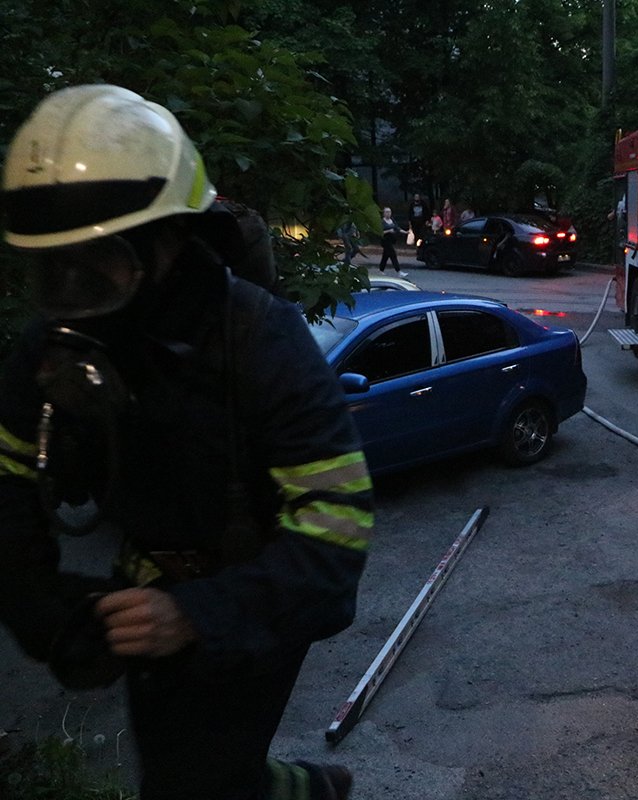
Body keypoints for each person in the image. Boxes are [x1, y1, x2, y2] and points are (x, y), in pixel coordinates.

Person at [0, 84, 372, 800]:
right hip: (144, 589)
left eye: (99, 262)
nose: (74, 295)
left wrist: (200, 615)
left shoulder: (260, 341)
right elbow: (7, 485)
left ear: (169, 240)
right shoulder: (52, 348)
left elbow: (337, 533)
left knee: (191, 783)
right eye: (55, 268)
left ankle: (301, 788)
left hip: (256, 592)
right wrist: (47, 613)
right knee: (189, 777)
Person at [379, 206, 401, 272]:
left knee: (385, 256)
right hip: (385, 241)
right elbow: (380, 232)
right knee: (393, 255)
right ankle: (398, 270)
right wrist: (388, 231)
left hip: (391, 240)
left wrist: (406, 232)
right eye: (387, 212)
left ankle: (381, 269)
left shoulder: (392, 220)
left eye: (389, 212)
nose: (388, 213)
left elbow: (397, 228)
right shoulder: (382, 221)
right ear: (384, 213)